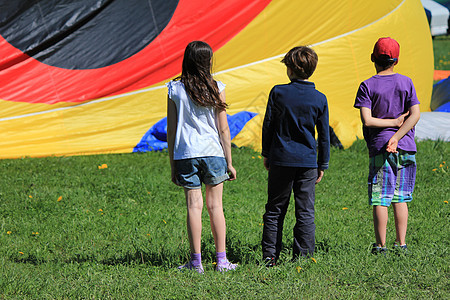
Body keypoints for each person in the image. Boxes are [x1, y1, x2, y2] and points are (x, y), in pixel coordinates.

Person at [166, 41, 237, 273]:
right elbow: (223, 129)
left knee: (193, 207)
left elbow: (171, 129)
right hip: (214, 153)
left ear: (186, 60)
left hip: (186, 154)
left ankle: (196, 262)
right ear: (208, 61)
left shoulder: (174, 89)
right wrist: (229, 162)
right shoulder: (217, 86)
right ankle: (222, 261)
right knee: (216, 207)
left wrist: (173, 165)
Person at [261, 46, 330, 266]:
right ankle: (302, 258)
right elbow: (324, 135)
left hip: (281, 159)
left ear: (290, 68)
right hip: (308, 162)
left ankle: (270, 257)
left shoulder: (278, 92)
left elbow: (268, 125)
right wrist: (323, 163)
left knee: (274, 210)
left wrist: (266, 153)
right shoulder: (320, 98)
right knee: (305, 211)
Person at [354, 37, 420, 254]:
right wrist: (398, 135)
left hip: (381, 147)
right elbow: (415, 115)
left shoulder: (367, 85)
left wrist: (390, 134)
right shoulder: (407, 82)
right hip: (406, 146)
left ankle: (380, 246)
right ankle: (401, 244)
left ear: (373, 58)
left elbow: (368, 120)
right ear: (396, 60)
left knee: (381, 198)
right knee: (400, 198)